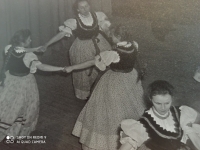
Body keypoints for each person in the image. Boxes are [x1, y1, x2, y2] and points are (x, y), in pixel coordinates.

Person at [67, 26, 146, 150]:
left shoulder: (113, 53)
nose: (110, 38)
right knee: (130, 103)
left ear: (119, 37)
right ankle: (133, 130)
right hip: (131, 77)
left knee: (109, 108)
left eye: (112, 36)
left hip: (115, 81)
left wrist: (72, 67)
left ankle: (112, 136)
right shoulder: (134, 45)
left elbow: (92, 62)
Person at [0, 29, 68, 141]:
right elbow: (42, 67)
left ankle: (7, 130)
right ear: (24, 41)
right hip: (24, 84)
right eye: (29, 39)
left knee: (8, 106)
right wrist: (61, 68)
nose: (31, 40)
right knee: (24, 107)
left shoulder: (8, 48)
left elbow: (18, 50)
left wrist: (36, 49)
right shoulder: (29, 56)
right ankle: (14, 133)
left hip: (10, 81)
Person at [43, 0, 112, 100]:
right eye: (82, 7)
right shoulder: (74, 21)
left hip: (99, 42)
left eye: (87, 6)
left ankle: (101, 89)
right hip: (82, 46)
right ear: (77, 9)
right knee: (83, 70)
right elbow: (61, 34)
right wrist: (46, 44)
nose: (85, 9)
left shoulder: (98, 15)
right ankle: (84, 94)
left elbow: (106, 28)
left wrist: (111, 36)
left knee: (104, 64)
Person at [119, 80, 200, 150]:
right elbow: (129, 144)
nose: (163, 107)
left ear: (172, 98)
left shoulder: (181, 113)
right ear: (151, 99)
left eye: (167, 103)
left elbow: (195, 134)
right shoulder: (144, 123)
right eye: (158, 103)